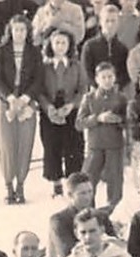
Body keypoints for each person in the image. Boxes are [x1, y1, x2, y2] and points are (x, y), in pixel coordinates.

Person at [0, 15, 39, 204]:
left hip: (27, 101)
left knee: (25, 144)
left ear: (28, 32)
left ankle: (21, 184)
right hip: (7, 102)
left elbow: (38, 79)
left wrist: (25, 99)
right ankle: (8, 185)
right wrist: (11, 98)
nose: (19, 33)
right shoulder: (1, 50)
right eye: (16, 29)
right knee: (7, 145)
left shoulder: (34, 52)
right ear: (10, 31)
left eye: (22, 30)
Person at [36, 29, 87, 200]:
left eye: (63, 43)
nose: (60, 46)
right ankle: (56, 182)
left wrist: (71, 105)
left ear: (69, 45)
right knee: (52, 145)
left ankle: (73, 182)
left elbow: (83, 89)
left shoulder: (76, 65)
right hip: (49, 109)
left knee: (73, 146)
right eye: (56, 42)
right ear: (50, 44)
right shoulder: (44, 66)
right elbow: (39, 90)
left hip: (71, 109)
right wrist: (48, 107)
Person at [76, 62, 127, 212]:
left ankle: (114, 213)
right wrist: (97, 118)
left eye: (110, 76)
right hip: (95, 147)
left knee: (115, 181)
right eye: (103, 77)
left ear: (115, 78)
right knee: (88, 179)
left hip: (115, 146)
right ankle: (87, 212)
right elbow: (79, 123)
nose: (107, 80)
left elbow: (129, 120)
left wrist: (119, 120)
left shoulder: (121, 98)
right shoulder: (89, 98)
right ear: (97, 79)